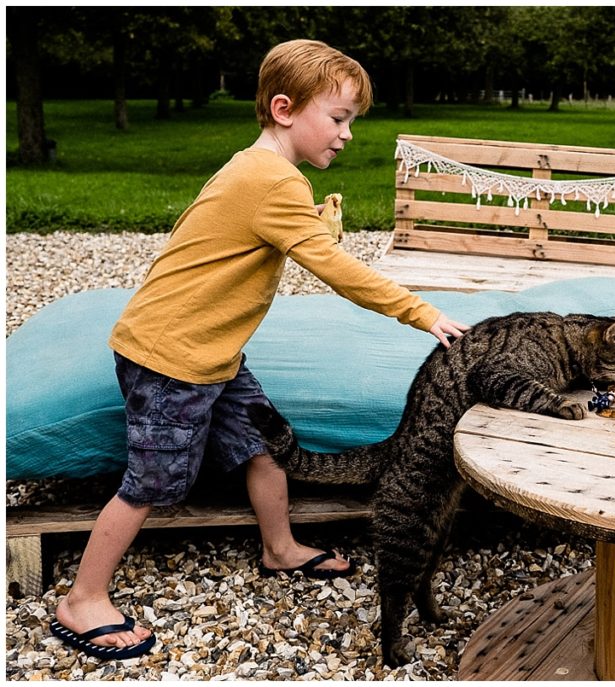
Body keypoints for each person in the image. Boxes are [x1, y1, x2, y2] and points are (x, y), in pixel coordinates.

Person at [50, 39, 469, 660]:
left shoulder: (258, 169)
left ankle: (280, 548)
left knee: (263, 441)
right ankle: (83, 596)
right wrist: (423, 312)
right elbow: (335, 269)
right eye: (338, 118)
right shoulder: (271, 180)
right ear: (283, 108)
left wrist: (315, 223)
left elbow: (277, 239)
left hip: (210, 352)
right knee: (153, 480)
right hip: (173, 358)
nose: (347, 135)